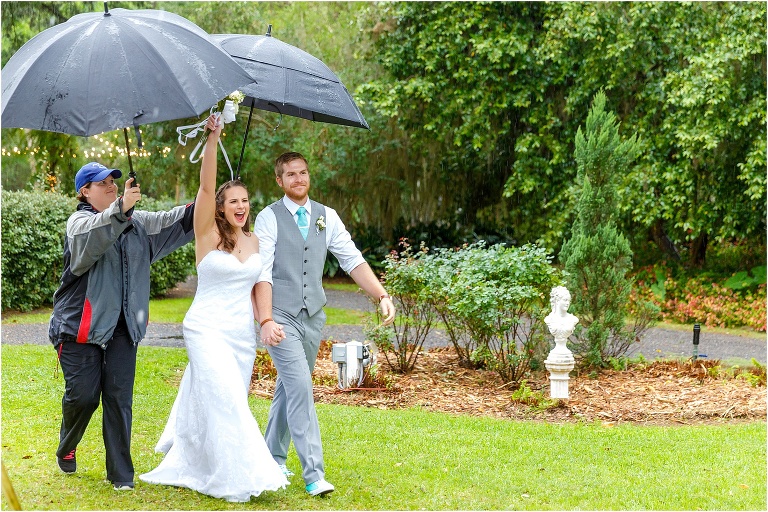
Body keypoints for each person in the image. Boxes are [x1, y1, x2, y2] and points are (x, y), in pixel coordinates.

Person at [139, 115, 288, 502]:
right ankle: (234, 475)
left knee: (226, 400)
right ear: (220, 209)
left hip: (240, 335)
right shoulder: (206, 234)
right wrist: (213, 138)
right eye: (232, 201)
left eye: (245, 200)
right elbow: (206, 186)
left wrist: (266, 320)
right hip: (205, 328)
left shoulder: (255, 242)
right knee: (224, 398)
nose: (240, 206)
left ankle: (200, 459)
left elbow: (261, 285)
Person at [254, 151, 396, 496]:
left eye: (303, 173)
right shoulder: (268, 218)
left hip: (313, 315)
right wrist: (266, 319)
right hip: (281, 316)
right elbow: (261, 272)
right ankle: (313, 474)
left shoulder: (326, 216)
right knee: (301, 384)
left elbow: (351, 258)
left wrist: (381, 295)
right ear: (279, 180)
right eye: (290, 175)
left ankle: (271, 458)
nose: (298, 179)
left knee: (289, 386)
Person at [49, 161, 195, 491]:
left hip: (123, 327)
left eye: (113, 180)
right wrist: (121, 209)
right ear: (84, 191)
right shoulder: (79, 224)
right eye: (102, 183)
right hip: (78, 328)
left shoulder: (136, 223)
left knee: (118, 398)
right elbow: (91, 242)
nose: (112, 185)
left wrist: (216, 196)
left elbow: (177, 220)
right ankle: (67, 445)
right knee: (84, 397)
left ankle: (121, 475)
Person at [544, 286, 579, 352]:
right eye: (565, 300)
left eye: (569, 301)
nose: (567, 303)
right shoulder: (549, 319)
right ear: (557, 301)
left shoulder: (573, 319)